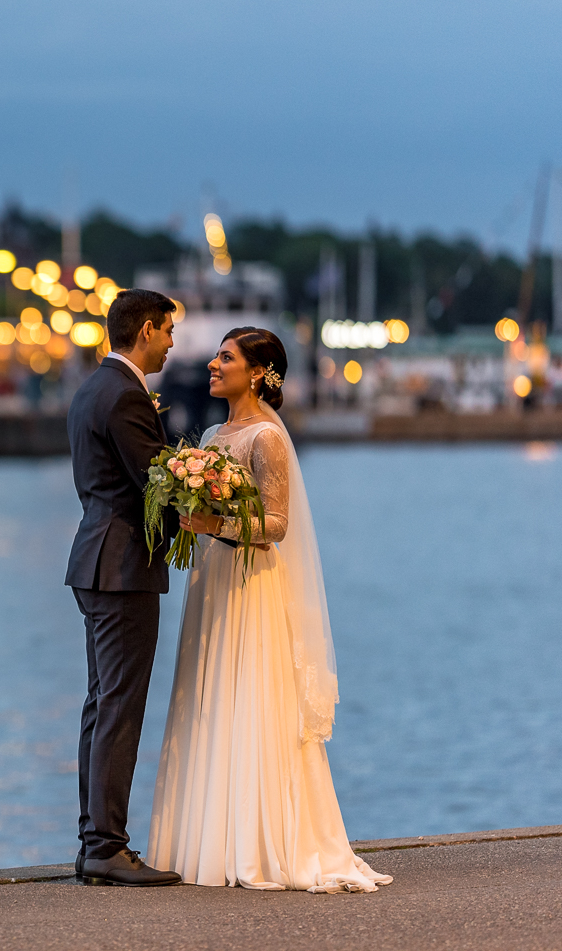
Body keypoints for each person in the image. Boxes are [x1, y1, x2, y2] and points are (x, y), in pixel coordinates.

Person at [146, 327, 392, 893]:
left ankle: (259, 841)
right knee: (209, 695)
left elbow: (276, 526)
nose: (212, 363)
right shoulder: (212, 431)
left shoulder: (267, 439)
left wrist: (213, 524)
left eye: (225, 357)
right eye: (216, 355)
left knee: (251, 695)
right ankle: (208, 836)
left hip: (252, 583)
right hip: (213, 580)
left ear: (257, 371)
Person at [64, 289, 182, 887]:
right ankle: (107, 846)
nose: (171, 342)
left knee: (101, 703)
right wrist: (211, 497)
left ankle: (93, 840)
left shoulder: (92, 387)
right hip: (123, 567)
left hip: (95, 559)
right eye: (167, 331)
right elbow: (156, 482)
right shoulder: (126, 396)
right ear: (145, 329)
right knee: (120, 705)